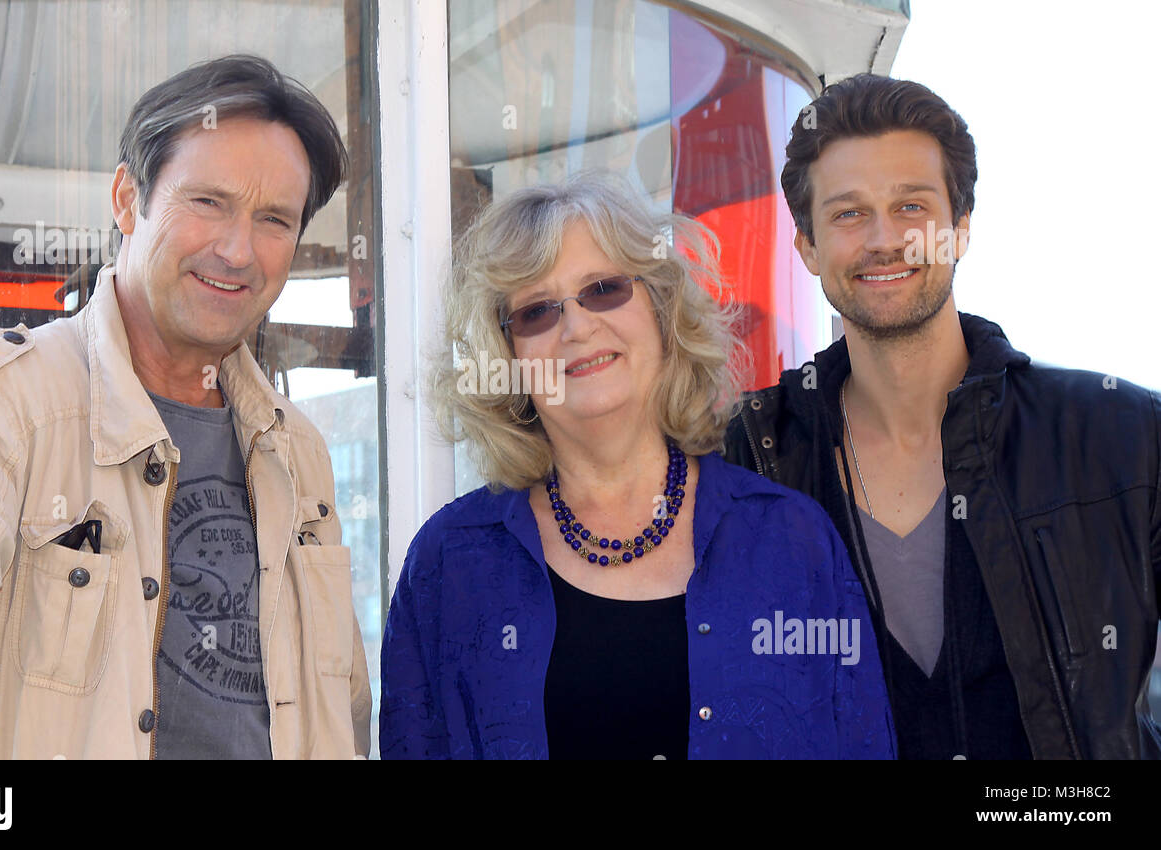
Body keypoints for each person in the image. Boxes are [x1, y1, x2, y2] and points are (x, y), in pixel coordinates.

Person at [0, 55, 370, 759]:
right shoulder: (1, 403)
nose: (237, 249)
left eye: (274, 219)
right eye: (209, 202)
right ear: (129, 199)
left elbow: (340, 711)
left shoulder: (299, 451)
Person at [379, 172, 895, 759]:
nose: (576, 327)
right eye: (536, 312)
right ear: (511, 359)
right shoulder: (449, 564)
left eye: (603, 289)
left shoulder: (793, 541)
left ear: (661, 311)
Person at [725, 74, 1161, 759]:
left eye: (911, 206)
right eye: (847, 213)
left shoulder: (1121, 437)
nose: (883, 239)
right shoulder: (752, 460)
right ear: (807, 248)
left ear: (960, 229)